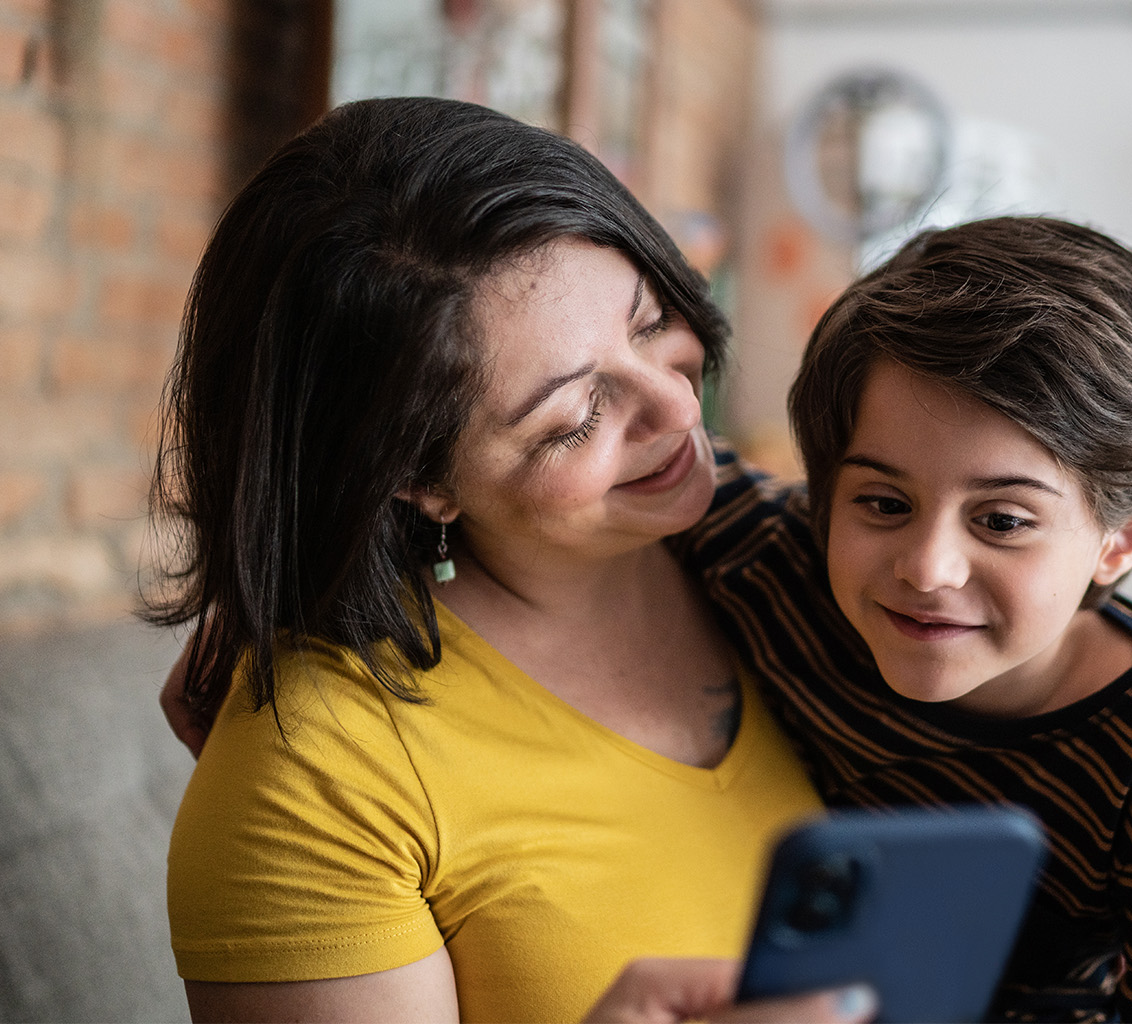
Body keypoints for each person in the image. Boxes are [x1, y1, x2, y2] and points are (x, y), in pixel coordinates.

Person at [147, 95, 878, 1024]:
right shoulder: (318, 774)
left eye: (652, 324)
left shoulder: (781, 554)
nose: (676, 410)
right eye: (573, 422)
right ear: (413, 480)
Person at [676, 217, 1132, 1022]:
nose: (927, 568)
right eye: (883, 503)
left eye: (1002, 521)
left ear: (1120, 540)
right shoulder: (770, 559)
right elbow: (636, 459)